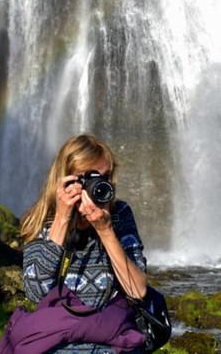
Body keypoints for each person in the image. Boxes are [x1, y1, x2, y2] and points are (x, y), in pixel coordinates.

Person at [19, 133, 149, 353]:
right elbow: (36, 292)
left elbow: (137, 291)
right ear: (66, 180)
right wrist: (62, 219)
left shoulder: (119, 214)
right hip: (58, 343)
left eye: (104, 177)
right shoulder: (43, 219)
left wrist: (106, 231)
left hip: (111, 340)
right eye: (86, 178)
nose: (97, 186)